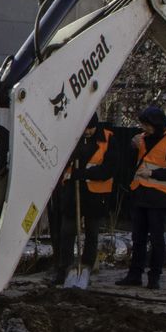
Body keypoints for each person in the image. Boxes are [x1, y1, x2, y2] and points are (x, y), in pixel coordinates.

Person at [48, 115, 118, 285]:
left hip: (96, 195)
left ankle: (86, 269)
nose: (87, 132)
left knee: (92, 234)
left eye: (90, 129)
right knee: (67, 232)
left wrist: (82, 174)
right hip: (73, 193)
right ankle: (63, 269)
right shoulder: (72, 136)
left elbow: (109, 169)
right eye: (84, 129)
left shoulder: (108, 138)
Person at [117, 104, 166, 290]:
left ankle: (154, 277)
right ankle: (134, 274)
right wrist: (132, 147)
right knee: (138, 238)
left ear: (157, 124)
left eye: (147, 125)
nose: (144, 129)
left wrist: (152, 175)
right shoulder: (142, 140)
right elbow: (130, 164)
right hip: (140, 195)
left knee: (157, 239)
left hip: (159, 198)